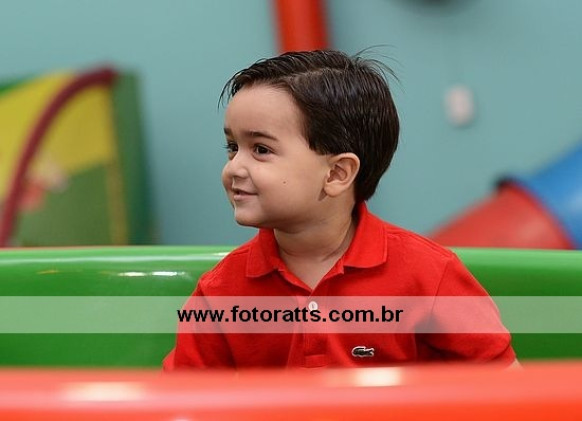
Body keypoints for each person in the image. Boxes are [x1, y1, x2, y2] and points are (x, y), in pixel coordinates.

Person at [163, 49, 516, 369]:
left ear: (336, 174)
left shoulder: (429, 275)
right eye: (232, 147)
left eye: (261, 149)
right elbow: (184, 401)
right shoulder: (220, 292)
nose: (234, 168)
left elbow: (505, 390)